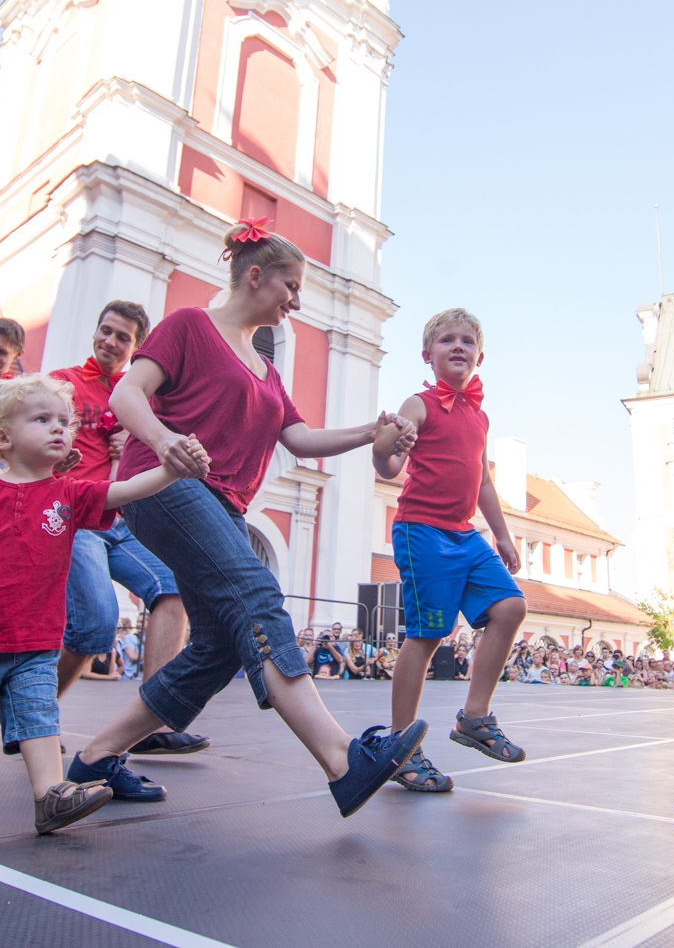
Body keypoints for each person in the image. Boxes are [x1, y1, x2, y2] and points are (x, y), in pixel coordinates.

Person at [66, 218, 428, 819]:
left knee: (217, 648)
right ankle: (342, 760)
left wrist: (373, 430)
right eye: (290, 285)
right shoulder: (190, 326)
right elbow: (126, 395)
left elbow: (301, 439)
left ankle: (96, 758)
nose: (296, 299)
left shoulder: (266, 369)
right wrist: (165, 443)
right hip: (167, 486)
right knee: (257, 594)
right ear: (254, 276)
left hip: (224, 505)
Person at [0, 374, 196, 835]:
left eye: (64, 421)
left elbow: (126, 490)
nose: (59, 429)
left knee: (39, 718)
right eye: (43, 420)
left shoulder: (69, 494)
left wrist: (172, 469)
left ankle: (49, 794)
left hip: (34, 643)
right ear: (3, 437)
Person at [371, 309, 527, 793]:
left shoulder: (479, 415)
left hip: (464, 533)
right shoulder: (418, 404)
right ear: (428, 354)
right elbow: (388, 465)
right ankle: (401, 746)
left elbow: (481, 478)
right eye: (446, 340)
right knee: (428, 633)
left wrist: (501, 535)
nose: (457, 347)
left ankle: (473, 718)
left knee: (511, 606)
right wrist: (384, 444)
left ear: (480, 355)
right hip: (422, 532)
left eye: (466, 341)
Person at [47, 301, 206, 757]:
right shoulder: (63, 385)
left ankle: (153, 720)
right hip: (76, 516)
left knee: (172, 589)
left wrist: (133, 437)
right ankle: (36, 716)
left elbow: (161, 447)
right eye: (106, 331)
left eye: (122, 337)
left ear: (135, 348)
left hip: (118, 518)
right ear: (95, 332)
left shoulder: (139, 394)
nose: (110, 342)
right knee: (95, 627)